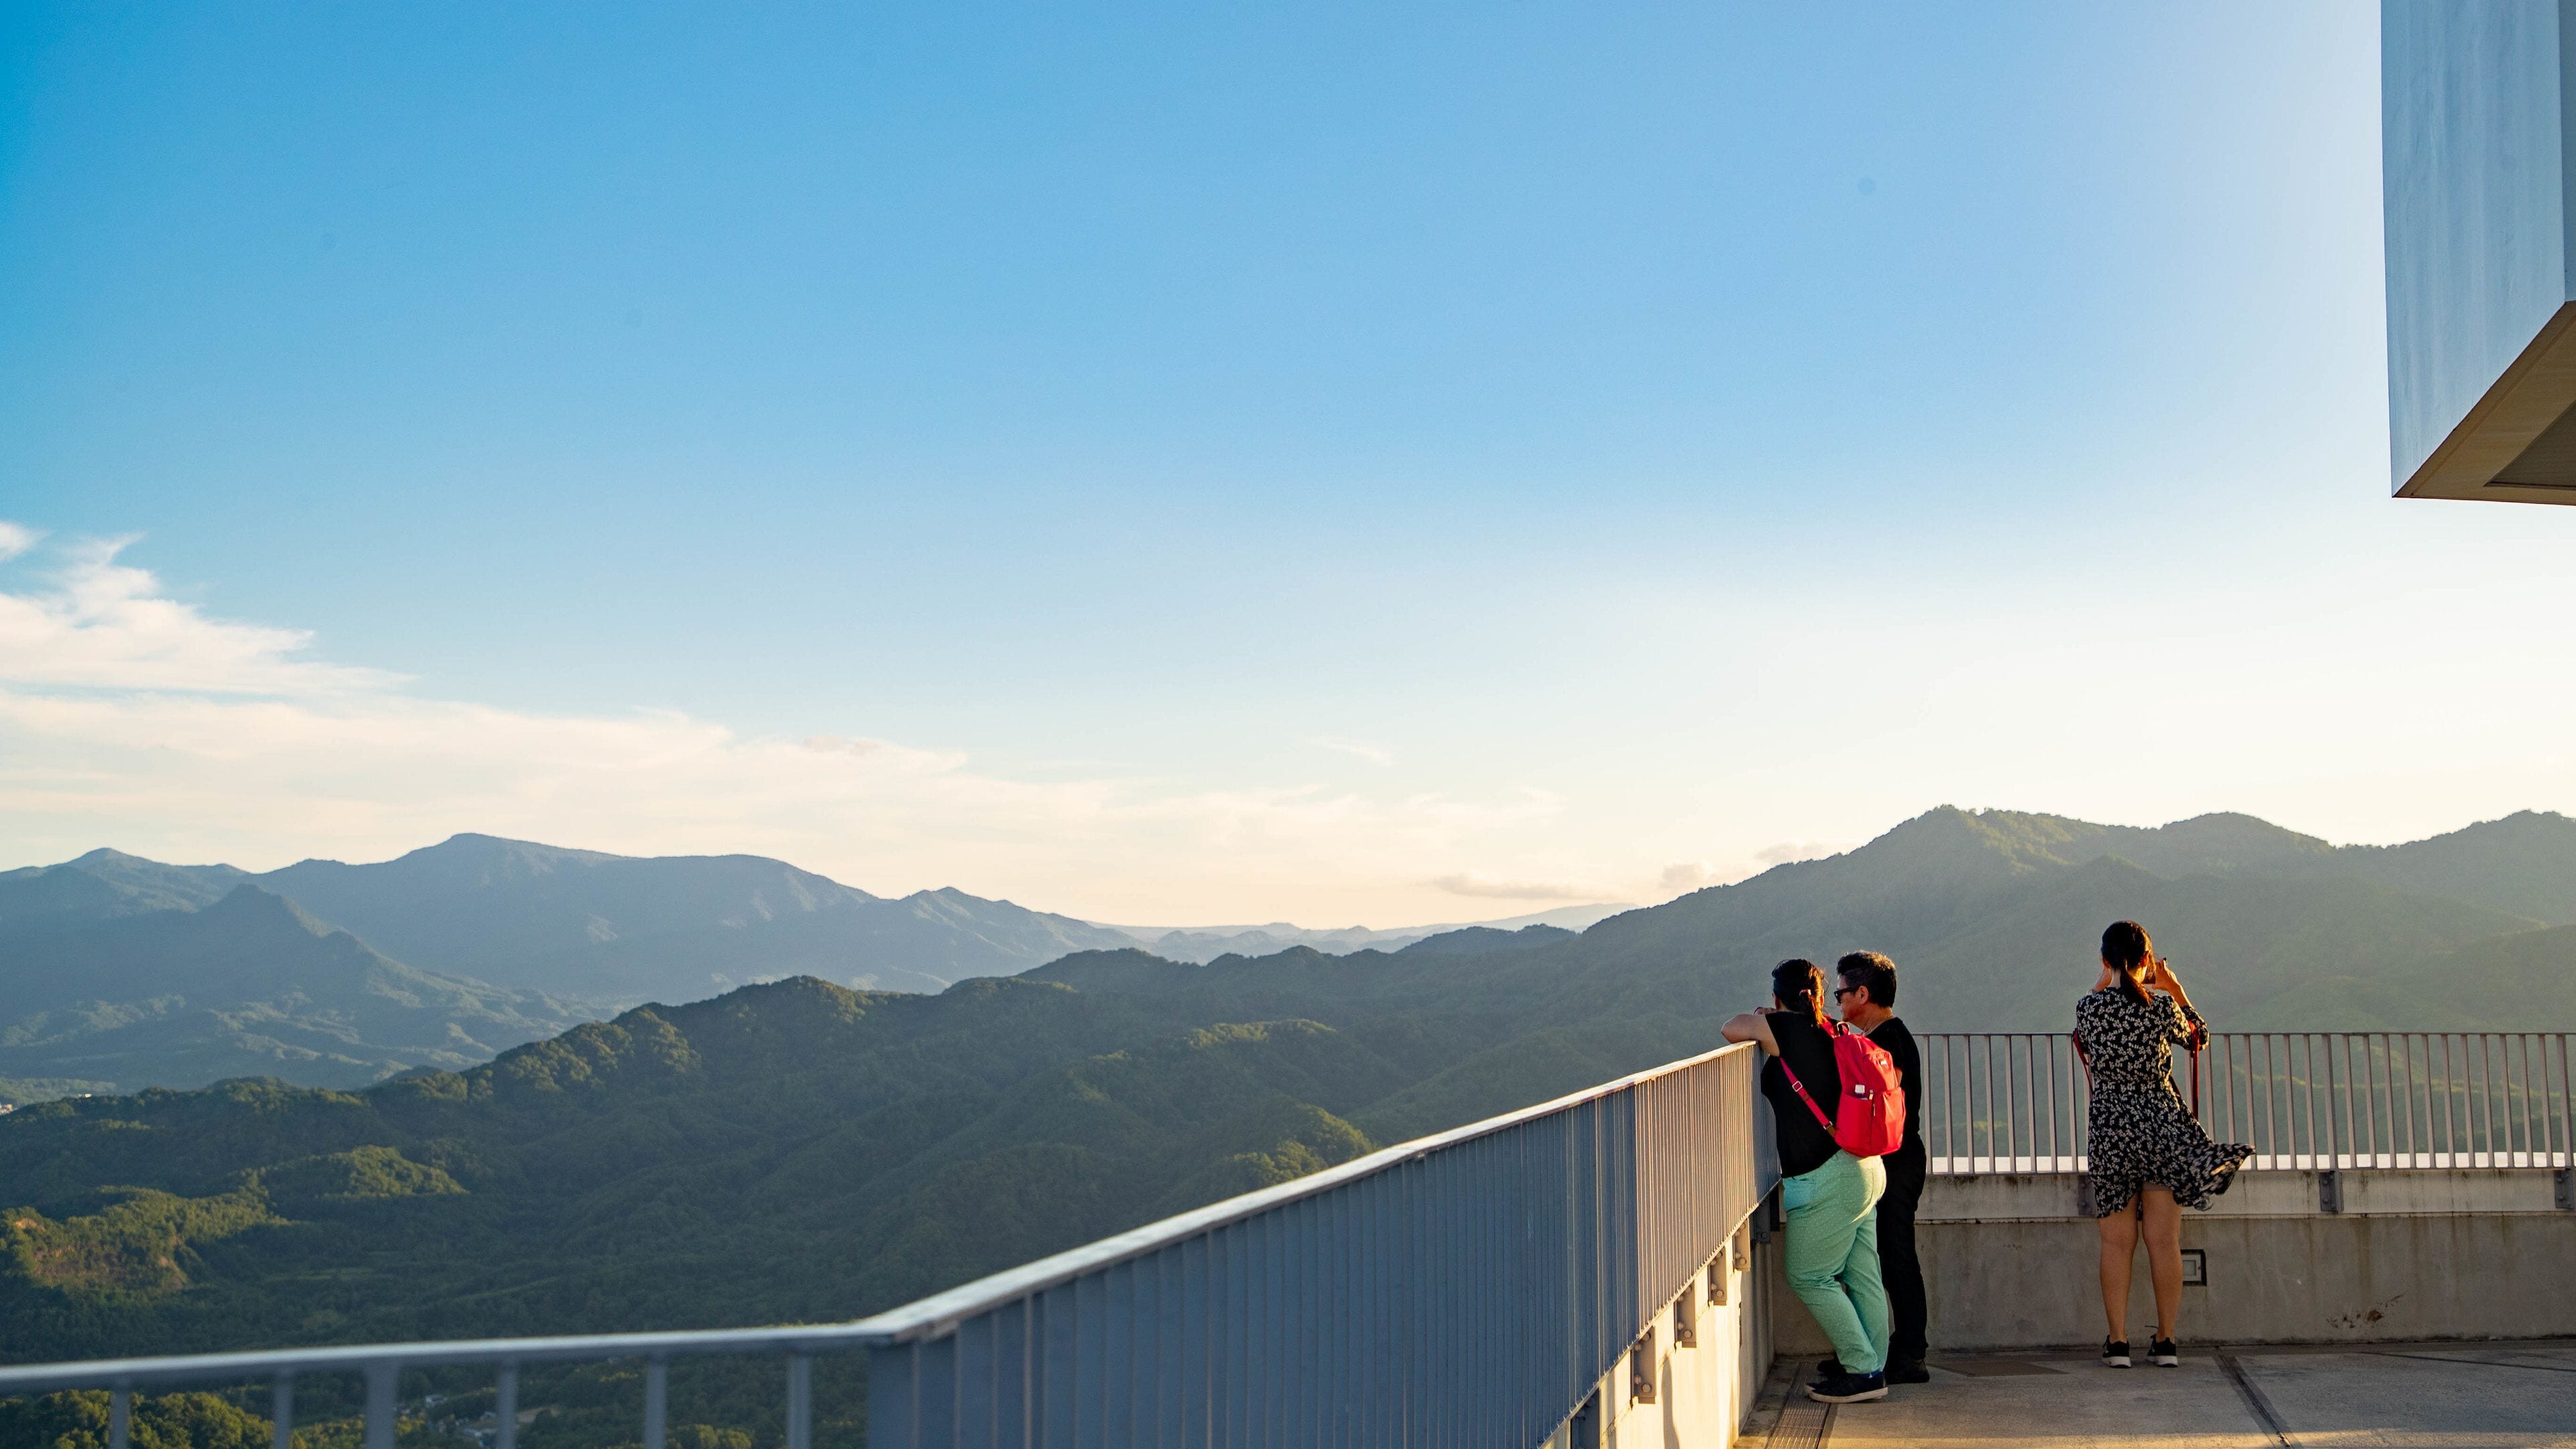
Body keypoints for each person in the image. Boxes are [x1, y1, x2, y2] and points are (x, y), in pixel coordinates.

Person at [2076, 920, 2253, 1370]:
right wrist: (2175, 988)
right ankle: (2167, 1340)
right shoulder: (2159, 1006)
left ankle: (2118, 1343)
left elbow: (2091, 1018)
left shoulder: (2088, 1009)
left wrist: (2106, 978)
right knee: (2163, 1240)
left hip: (2112, 1129)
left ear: (2105, 959)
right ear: (2146, 962)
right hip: (2160, 1126)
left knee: (2116, 1243)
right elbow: (2199, 1038)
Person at [1723, 959, 1891, 1404]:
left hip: (1827, 1178)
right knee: (1862, 1273)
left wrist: (1763, 1019)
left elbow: (1730, 1028)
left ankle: (1863, 1371)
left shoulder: (1788, 1029)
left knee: (1808, 1275)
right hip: (1864, 1166)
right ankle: (1874, 1361)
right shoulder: (1831, 1030)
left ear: (1780, 998)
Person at [1835, 951, 1927, 1384]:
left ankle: (1910, 1352)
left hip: (1897, 1163)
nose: (1837, 1001)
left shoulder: (1885, 1043)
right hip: (1898, 1160)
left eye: (1840, 993)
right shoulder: (1892, 1036)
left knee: (1895, 1256)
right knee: (1882, 1257)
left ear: (1863, 994)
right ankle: (1885, 1349)